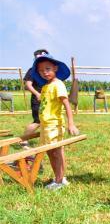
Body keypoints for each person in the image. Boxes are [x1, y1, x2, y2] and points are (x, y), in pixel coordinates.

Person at [32, 53, 80, 190]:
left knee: (57, 152)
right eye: (41, 71)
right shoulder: (46, 86)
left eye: (47, 69)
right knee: (49, 152)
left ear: (55, 68)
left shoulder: (58, 85)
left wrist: (71, 123)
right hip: (45, 125)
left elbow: (66, 104)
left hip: (54, 124)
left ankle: (60, 180)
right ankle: (58, 177)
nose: (44, 73)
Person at [20, 48, 50, 147]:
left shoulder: (48, 71)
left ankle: (46, 140)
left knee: (46, 120)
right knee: (38, 121)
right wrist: (37, 94)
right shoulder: (32, 71)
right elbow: (28, 85)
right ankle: (23, 140)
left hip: (47, 99)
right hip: (37, 99)